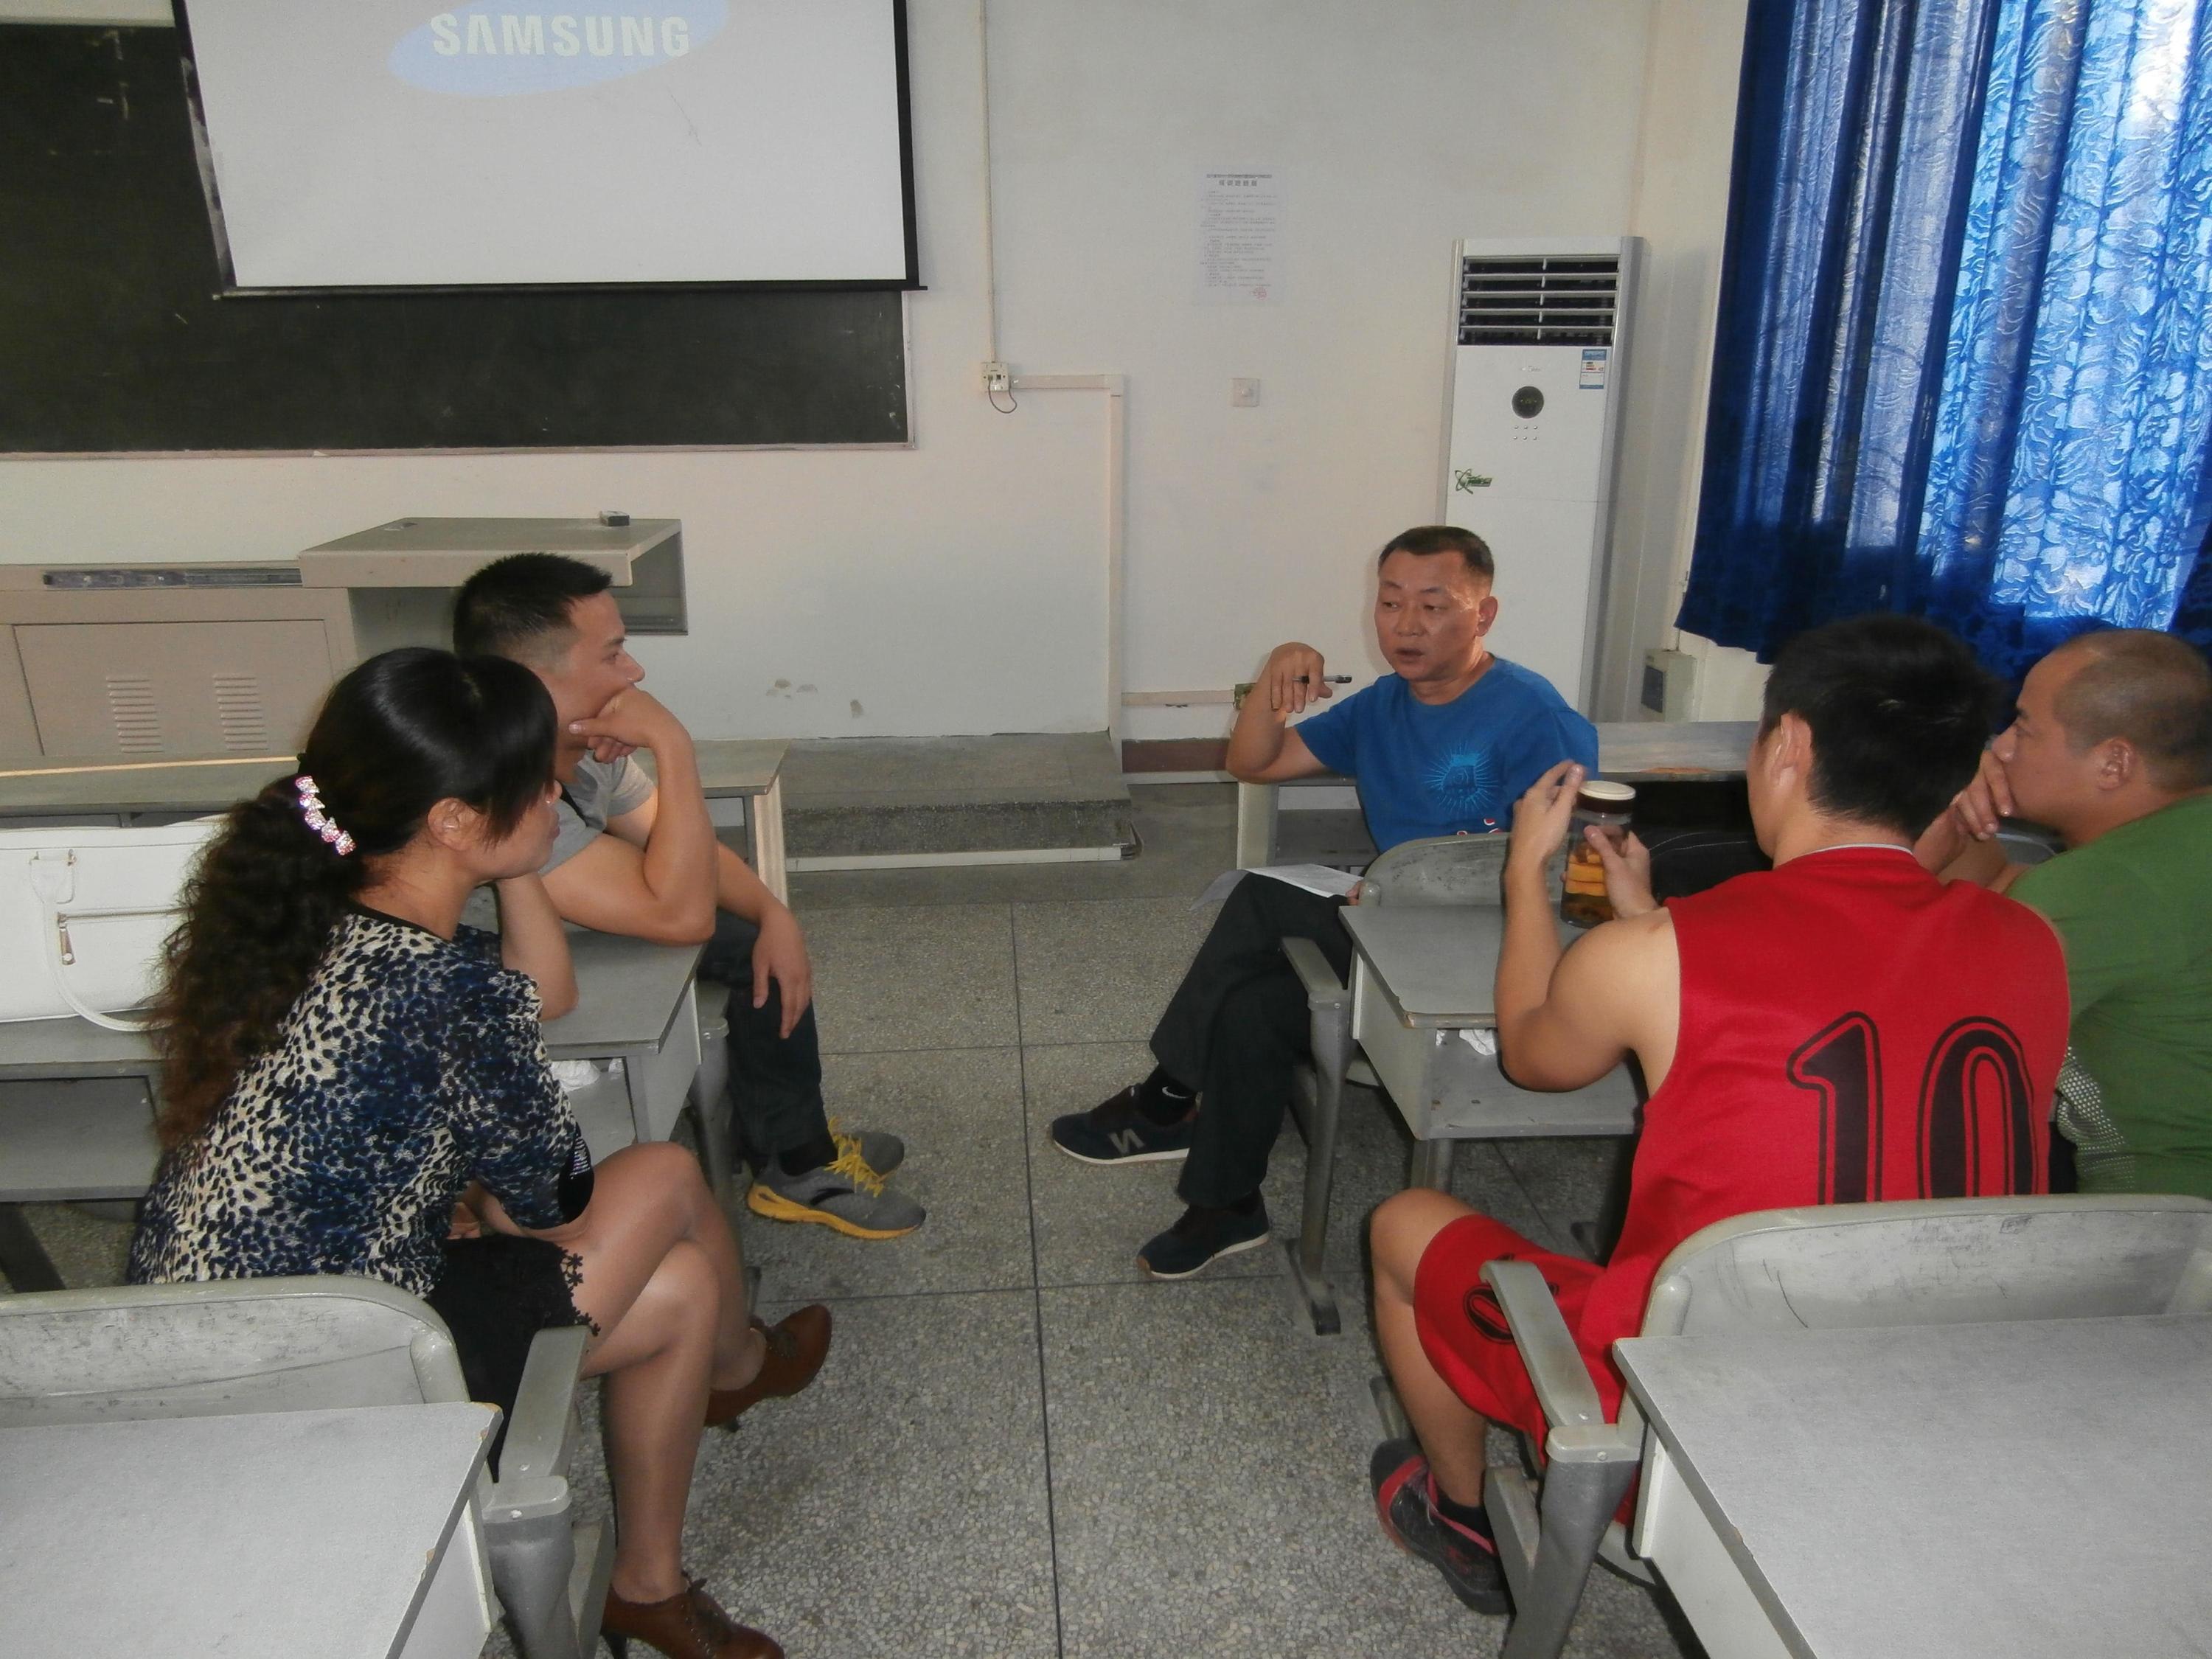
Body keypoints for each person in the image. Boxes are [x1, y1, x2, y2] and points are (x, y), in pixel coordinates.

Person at [128, 648, 827, 1659]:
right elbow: (549, 1207)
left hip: (192, 1346)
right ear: (454, 822)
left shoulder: (293, 922)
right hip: (352, 1370)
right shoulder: (452, 995)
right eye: (537, 783)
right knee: (668, 1182)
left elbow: (508, 1014)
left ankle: (655, 1566)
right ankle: (733, 1374)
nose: (557, 796)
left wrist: (513, 867)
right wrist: (479, 1191)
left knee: (679, 1289)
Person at [1366, 613, 2068, 1617]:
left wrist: (1526, 879)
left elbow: (1530, 1052)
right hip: (1938, 1410)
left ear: (1789, 747)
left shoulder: (1659, 956)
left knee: (1402, 1224)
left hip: (1692, 1428)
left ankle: (1467, 1517)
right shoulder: (2032, 942)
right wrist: (1651, 924)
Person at [1048, 525, 1599, 1279]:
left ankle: (1168, 1098)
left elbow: (1560, 871)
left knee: (1263, 899)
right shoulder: (1382, 706)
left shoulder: (1536, 717)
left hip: (1486, 950)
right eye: (1391, 603)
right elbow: (1255, 762)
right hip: (1393, 929)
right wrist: (1272, 683)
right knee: (1254, 1006)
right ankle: (1227, 1204)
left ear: (1485, 614)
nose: (1406, 625)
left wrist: (1402, 887)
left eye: (1433, 605)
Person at [452, 554, 922, 1239]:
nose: (635, 672)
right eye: (612, 654)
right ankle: (796, 1164)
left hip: (560, 939)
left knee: (752, 933)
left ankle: (789, 1138)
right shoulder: (500, 786)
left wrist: (775, 914)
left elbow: (686, 853)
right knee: (731, 944)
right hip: (504, 982)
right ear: (534, 679)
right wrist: (673, 745)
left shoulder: (581, 754)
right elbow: (681, 915)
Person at [1916, 628, 2212, 1197]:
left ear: (2113, 764)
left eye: (2024, 728)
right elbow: (2001, 889)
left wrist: (1907, 845)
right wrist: (1959, 801)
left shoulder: (2102, 886)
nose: (2001, 748)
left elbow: (1916, 1041)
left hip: (2170, 1221)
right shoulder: (2161, 855)